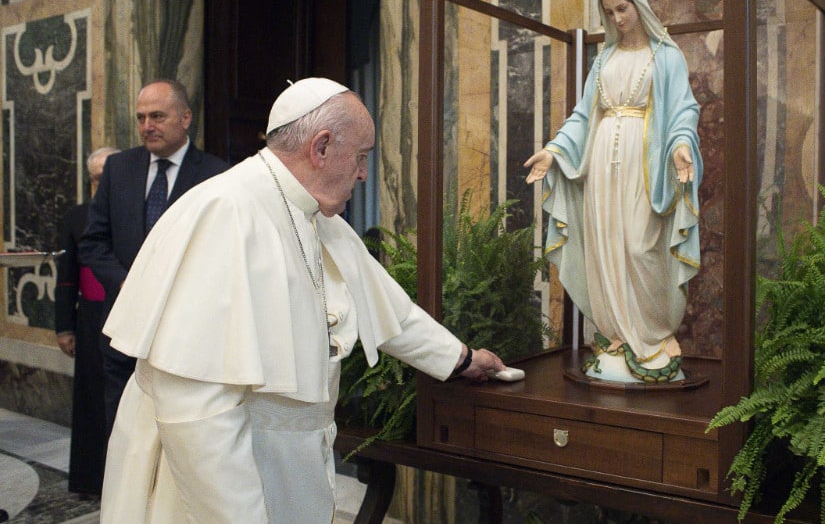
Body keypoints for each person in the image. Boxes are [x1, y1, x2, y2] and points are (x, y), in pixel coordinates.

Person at [99, 78, 505, 523]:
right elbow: (198, 418)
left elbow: (389, 308)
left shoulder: (314, 213)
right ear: (322, 147)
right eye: (361, 156)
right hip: (222, 489)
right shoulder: (225, 213)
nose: (364, 173)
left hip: (288, 462)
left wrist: (463, 359)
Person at [524, 0, 702, 383]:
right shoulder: (602, 61)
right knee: (605, 245)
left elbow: (683, 110)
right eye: (609, 12)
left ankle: (655, 336)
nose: (617, 18)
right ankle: (617, 333)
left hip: (646, 162)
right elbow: (584, 116)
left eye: (622, 8)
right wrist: (553, 152)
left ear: (639, 6)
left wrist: (680, 145)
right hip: (602, 163)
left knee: (641, 245)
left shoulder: (667, 56)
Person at [79, 79, 229, 432]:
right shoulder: (119, 169)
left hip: (186, 337)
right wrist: (130, 283)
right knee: (122, 437)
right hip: (123, 331)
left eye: (158, 116)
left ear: (186, 117)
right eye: (141, 117)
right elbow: (93, 242)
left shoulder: (217, 175)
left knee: (175, 438)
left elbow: (222, 254)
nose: (148, 126)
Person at [54, 146, 119, 495]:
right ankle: (92, 479)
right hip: (90, 318)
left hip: (125, 314)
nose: (100, 184)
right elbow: (66, 276)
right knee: (92, 401)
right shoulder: (77, 216)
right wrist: (64, 325)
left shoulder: (132, 215)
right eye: (95, 179)